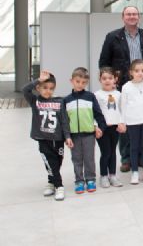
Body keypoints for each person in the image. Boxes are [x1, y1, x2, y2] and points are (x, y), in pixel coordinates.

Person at [98, 6, 143, 173]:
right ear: (123, 17)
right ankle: (126, 159)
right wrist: (110, 79)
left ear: (139, 17)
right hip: (122, 86)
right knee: (124, 121)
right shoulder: (112, 37)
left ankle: (142, 158)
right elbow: (104, 62)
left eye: (134, 14)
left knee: (142, 121)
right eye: (128, 14)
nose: (132, 16)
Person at [23, 70, 73, 201]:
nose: (48, 91)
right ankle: (59, 185)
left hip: (58, 139)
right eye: (44, 88)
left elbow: (64, 120)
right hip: (43, 138)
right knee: (50, 162)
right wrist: (38, 80)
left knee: (57, 162)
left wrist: (67, 136)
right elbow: (25, 90)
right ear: (38, 88)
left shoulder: (59, 101)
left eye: (51, 88)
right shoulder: (35, 101)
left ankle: (51, 181)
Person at [63, 67, 107, 195]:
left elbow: (98, 114)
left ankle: (91, 179)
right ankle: (79, 181)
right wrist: (67, 136)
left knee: (89, 158)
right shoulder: (66, 100)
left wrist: (101, 128)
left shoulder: (90, 97)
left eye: (83, 82)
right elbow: (64, 121)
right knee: (76, 159)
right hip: (74, 136)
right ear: (72, 81)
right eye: (77, 81)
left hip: (89, 135)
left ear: (87, 83)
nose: (80, 85)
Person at [120, 59, 143, 185]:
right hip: (132, 122)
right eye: (137, 71)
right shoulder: (126, 87)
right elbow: (123, 106)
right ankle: (134, 172)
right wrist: (122, 122)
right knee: (134, 147)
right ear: (131, 72)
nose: (140, 73)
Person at [94, 67, 125, 189]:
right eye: (104, 78)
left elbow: (122, 110)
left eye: (110, 78)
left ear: (115, 79)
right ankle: (103, 176)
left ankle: (112, 175)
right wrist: (96, 126)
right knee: (105, 152)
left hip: (115, 128)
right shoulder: (96, 95)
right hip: (103, 129)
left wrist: (122, 123)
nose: (107, 80)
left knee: (113, 152)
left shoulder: (118, 94)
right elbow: (94, 113)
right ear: (100, 80)